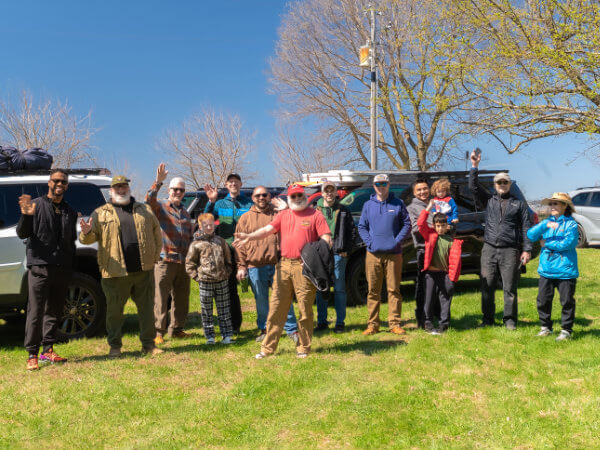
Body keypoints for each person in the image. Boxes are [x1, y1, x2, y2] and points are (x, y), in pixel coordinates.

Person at [233, 184, 331, 359]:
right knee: (277, 307)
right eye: (293, 196)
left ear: (305, 196)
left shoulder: (316, 215)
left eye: (299, 195)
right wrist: (248, 237)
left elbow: (326, 239)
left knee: (305, 309)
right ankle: (267, 348)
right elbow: (267, 230)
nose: (297, 198)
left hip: (304, 268)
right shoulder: (283, 215)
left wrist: (314, 260)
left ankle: (303, 348)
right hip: (283, 265)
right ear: (289, 199)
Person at [80, 175, 163, 357]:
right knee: (115, 313)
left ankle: (149, 345)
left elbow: (157, 233)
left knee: (147, 310)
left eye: (124, 186)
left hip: (143, 270)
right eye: (117, 187)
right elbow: (88, 239)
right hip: (115, 273)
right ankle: (115, 347)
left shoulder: (144, 209)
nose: (121, 190)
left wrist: (154, 256)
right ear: (111, 191)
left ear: (128, 189)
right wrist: (86, 232)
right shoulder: (100, 213)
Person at [16, 169, 77, 371]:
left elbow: (70, 241)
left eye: (64, 182)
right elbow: (22, 233)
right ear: (49, 183)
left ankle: (48, 350)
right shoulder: (35, 204)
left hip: (61, 268)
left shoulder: (69, 211)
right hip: (40, 267)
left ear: (67, 186)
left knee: (54, 310)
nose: (60, 184)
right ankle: (32, 354)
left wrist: (70, 263)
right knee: (35, 312)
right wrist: (26, 215)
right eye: (56, 180)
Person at [469, 150, 532, 330]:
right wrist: (474, 166)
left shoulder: (518, 204)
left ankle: (510, 320)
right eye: (499, 182)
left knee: (509, 287)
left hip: (510, 250)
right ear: (494, 184)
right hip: (489, 248)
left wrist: (526, 249)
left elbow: (526, 227)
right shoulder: (488, 200)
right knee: (487, 285)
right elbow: (473, 187)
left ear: (509, 184)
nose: (502, 184)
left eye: (505, 182)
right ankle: (487, 319)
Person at [235, 186, 299, 343]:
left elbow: (295, 224)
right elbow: (239, 245)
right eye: (258, 195)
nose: (261, 198)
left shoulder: (278, 214)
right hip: (255, 266)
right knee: (261, 300)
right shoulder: (245, 218)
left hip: (277, 263)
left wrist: (287, 208)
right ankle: (264, 329)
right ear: (252, 198)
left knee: (284, 298)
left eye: (264, 195)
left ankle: (292, 329)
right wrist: (241, 266)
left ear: (269, 196)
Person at [145, 163, 194, 345]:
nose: (178, 193)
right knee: (161, 297)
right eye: (175, 189)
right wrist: (157, 182)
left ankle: (177, 329)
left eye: (181, 190)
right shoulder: (161, 208)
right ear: (169, 189)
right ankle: (158, 331)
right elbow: (148, 201)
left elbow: (189, 237)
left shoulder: (185, 213)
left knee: (181, 298)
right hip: (165, 260)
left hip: (183, 262)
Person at [357, 174, 411, 336]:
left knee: (394, 289)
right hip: (373, 254)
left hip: (394, 254)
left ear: (388, 185)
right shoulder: (368, 205)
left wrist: (397, 241)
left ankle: (394, 323)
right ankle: (373, 325)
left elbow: (407, 224)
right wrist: (370, 242)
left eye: (384, 183)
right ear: (374, 186)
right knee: (373, 290)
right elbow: (362, 227)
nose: (381, 186)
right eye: (378, 184)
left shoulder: (398, 203)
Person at [527, 193, 579, 341]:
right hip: (546, 269)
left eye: (556, 204)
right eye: (551, 204)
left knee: (567, 301)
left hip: (565, 271)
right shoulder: (547, 223)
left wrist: (547, 244)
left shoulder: (571, 224)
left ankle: (566, 330)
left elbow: (568, 243)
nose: (553, 206)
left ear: (565, 206)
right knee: (543, 300)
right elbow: (531, 235)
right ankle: (546, 327)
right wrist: (544, 225)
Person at [204, 173, 252, 333]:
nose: (233, 184)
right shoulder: (220, 204)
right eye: (230, 182)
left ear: (240, 184)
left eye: (236, 182)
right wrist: (211, 201)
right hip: (227, 253)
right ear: (226, 185)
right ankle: (234, 325)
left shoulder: (249, 203)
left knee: (258, 287)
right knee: (230, 290)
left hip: (247, 251)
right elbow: (206, 219)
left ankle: (264, 326)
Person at [314, 181, 356, 333]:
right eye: (326, 191)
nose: (329, 194)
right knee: (321, 289)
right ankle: (322, 322)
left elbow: (352, 231)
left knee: (339, 289)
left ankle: (340, 322)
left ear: (336, 192)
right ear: (322, 193)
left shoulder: (344, 210)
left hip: (339, 254)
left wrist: (347, 249)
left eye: (332, 191)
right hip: (321, 254)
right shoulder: (315, 210)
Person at [185, 213, 234, 344]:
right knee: (206, 311)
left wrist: (226, 273)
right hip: (205, 281)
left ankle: (227, 335)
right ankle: (210, 337)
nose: (208, 227)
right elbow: (189, 263)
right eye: (205, 225)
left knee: (224, 309)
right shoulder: (196, 244)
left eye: (211, 224)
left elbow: (228, 259)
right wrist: (197, 277)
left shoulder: (220, 241)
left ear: (214, 225)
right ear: (200, 226)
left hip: (222, 281)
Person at [417, 202, 463, 334]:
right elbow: (420, 224)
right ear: (434, 226)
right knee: (429, 299)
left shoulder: (451, 241)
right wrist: (428, 208)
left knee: (445, 299)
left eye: (443, 226)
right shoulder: (430, 235)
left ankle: (444, 324)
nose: (440, 228)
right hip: (431, 274)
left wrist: (452, 278)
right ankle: (428, 322)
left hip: (445, 275)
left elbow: (455, 262)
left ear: (447, 226)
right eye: (437, 226)